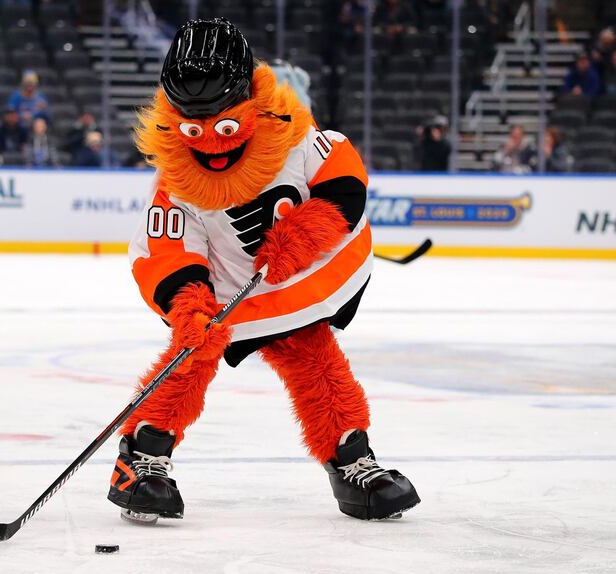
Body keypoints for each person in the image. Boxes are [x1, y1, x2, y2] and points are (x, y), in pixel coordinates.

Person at [108, 18, 419, 525]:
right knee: (191, 356)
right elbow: (168, 246)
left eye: (223, 125)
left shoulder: (292, 137)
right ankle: (140, 457)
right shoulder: (177, 181)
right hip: (229, 292)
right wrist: (189, 302)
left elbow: (340, 177)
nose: (210, 142)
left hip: (294, 288)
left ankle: (349, 457)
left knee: (316, 360)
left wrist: (309, 229)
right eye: (194, 129)